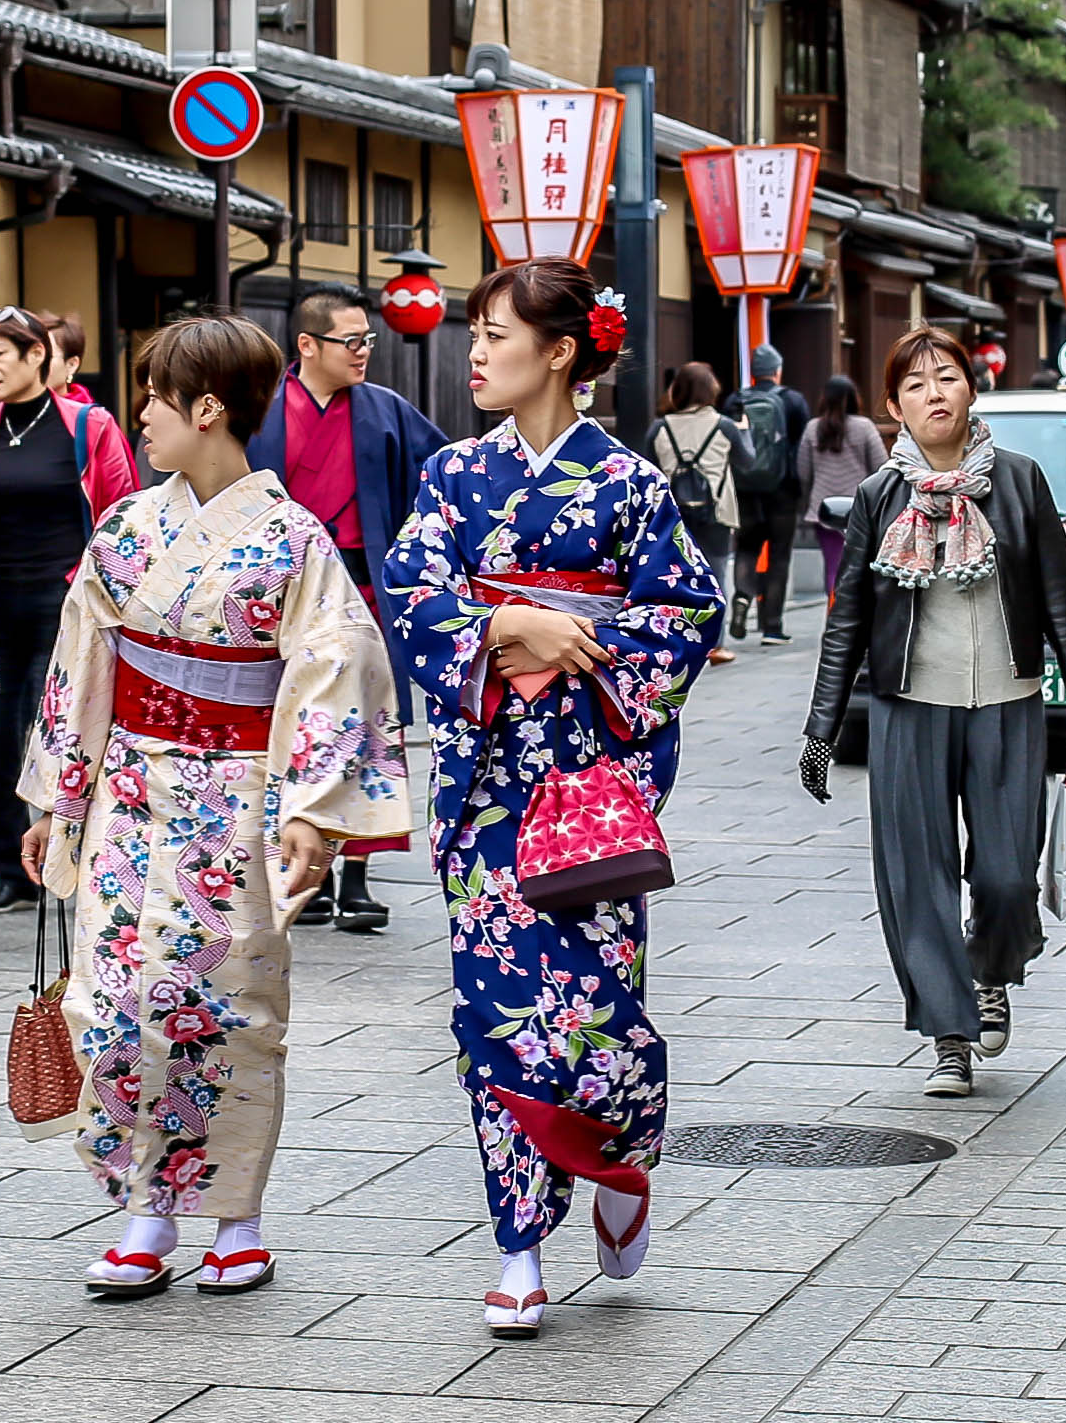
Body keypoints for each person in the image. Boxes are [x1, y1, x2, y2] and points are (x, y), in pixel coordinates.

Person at [19, 314, 409, 1297]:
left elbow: (339, 664)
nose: (139, 414)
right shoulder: (125, 529)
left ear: (206, 408)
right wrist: (59, 797)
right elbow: (83, 662)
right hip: (131, 790)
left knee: (225, 1004)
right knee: (110, 1000)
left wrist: (313, 810)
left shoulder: (289, 539)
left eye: (154, 396)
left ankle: (238, 1215)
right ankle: (147, 1208)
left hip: (235, 799)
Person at [380, 263, 724, 1339]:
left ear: (562, 350)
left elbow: (682, 616)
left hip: (585, 788)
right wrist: (504, 630)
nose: (473, 353)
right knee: (493, 1017)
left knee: (592, 1010)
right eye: (473, 334)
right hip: (485, 788)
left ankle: (619, 1152)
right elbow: (409, 588)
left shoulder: (628, 483)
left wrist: (570, 637)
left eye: (493, 334)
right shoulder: (451, 474)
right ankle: (518, 1243)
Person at [800, 325, 1066, 1099]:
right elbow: (848, 621)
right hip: (910, 708)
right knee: (918, 881)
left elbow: (1062, 601)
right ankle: (949, 1035)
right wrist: (821, 731)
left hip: (1007, 704)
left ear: (972, 388)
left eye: (947, 379)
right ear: (893, 407)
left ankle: (993, 969)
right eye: (915, 386)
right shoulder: (878, 497)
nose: (934, 395)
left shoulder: (1021, 482)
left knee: (1005, 877)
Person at [244, 287, 442, 930]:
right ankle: (307, 870)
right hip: (279, 595)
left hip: (363, 589)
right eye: (350, 341)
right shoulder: (262, 412)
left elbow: (442, 481)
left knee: (362, 730)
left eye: (368, 340)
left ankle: (356, 876)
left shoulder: (385, 412)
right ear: (307, 345)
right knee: (294, 728)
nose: (362, 352)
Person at [0, 308, 143, 917]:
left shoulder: (88, 425)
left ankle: (66, 854)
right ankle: (10, 865)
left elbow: (121, 511)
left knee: (58, 733)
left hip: (63, 605)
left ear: (37, 355)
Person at [648, 362, 743, 668]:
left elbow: (647, 469)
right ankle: (715, 645)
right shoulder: (725, 426)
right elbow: (749, 461)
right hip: (715, 511)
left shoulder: (659, 428)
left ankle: (676, 639)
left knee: (673, 576)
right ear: (711, 389)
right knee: (715, 575)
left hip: (672, 513)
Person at [726, 345, 813, 646]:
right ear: (777, 370)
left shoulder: (736, 400)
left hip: (745, 488)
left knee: (747, 548)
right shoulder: (793, 400)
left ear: (753, 372)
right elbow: (802, 445)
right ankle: (772, 627)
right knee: (778, 556)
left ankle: (742, 594)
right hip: (783, 489)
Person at [798, 371, 887, 600]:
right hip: (860, 508)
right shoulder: (864, 427)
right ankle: (857, 620)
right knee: (862, 567)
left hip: (824, 510)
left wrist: (809, 500)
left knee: (833, 566)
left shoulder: (812, 428)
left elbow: (803, 472)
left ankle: (834, 617)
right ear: (853, 397)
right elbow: (881, 467)